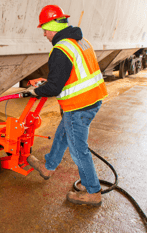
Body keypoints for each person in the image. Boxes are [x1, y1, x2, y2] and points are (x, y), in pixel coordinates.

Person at [26, 5, 108, 207]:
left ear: (52, 27)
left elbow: (54, 87)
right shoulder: (81, 41)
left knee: (78, 150)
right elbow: (74, 73)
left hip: (79, 106)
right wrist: (50, 81)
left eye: (44, 29)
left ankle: (92, 192)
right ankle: (48, 167)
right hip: (93, 99)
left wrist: (35, 91)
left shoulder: (60, 49)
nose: (44, 34)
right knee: (63, 133)